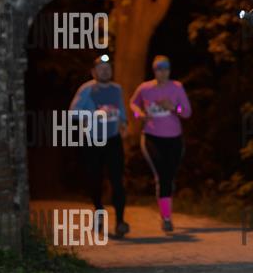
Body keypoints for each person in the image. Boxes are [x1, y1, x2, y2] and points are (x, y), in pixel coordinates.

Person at [69, 54, 130, 238]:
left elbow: (120, 109)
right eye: (101, 69)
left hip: (113, 139)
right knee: (94, 180)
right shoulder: (87, 89)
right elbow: (73, 113)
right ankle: (98, 211)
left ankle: (120, 222)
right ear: (93, 72)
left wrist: (124, 123)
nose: (105, 72)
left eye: (108, 68)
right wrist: (94, 114)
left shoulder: (117, 89)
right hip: (93, 140)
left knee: (117, 180)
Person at [129, 55, 192, 232]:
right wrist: (140, 115)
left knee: (169, 177)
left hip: (174, 139)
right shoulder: (145, 88)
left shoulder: (177, 87)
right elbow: (133, 104)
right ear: (154, 71)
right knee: (162, 175)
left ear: (170, 71)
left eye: (166, 69)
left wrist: (174, 108)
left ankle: (165, 203)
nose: (162, 72)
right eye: (159, 69)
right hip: (152, 138)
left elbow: (187, 112)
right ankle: (166, 217)